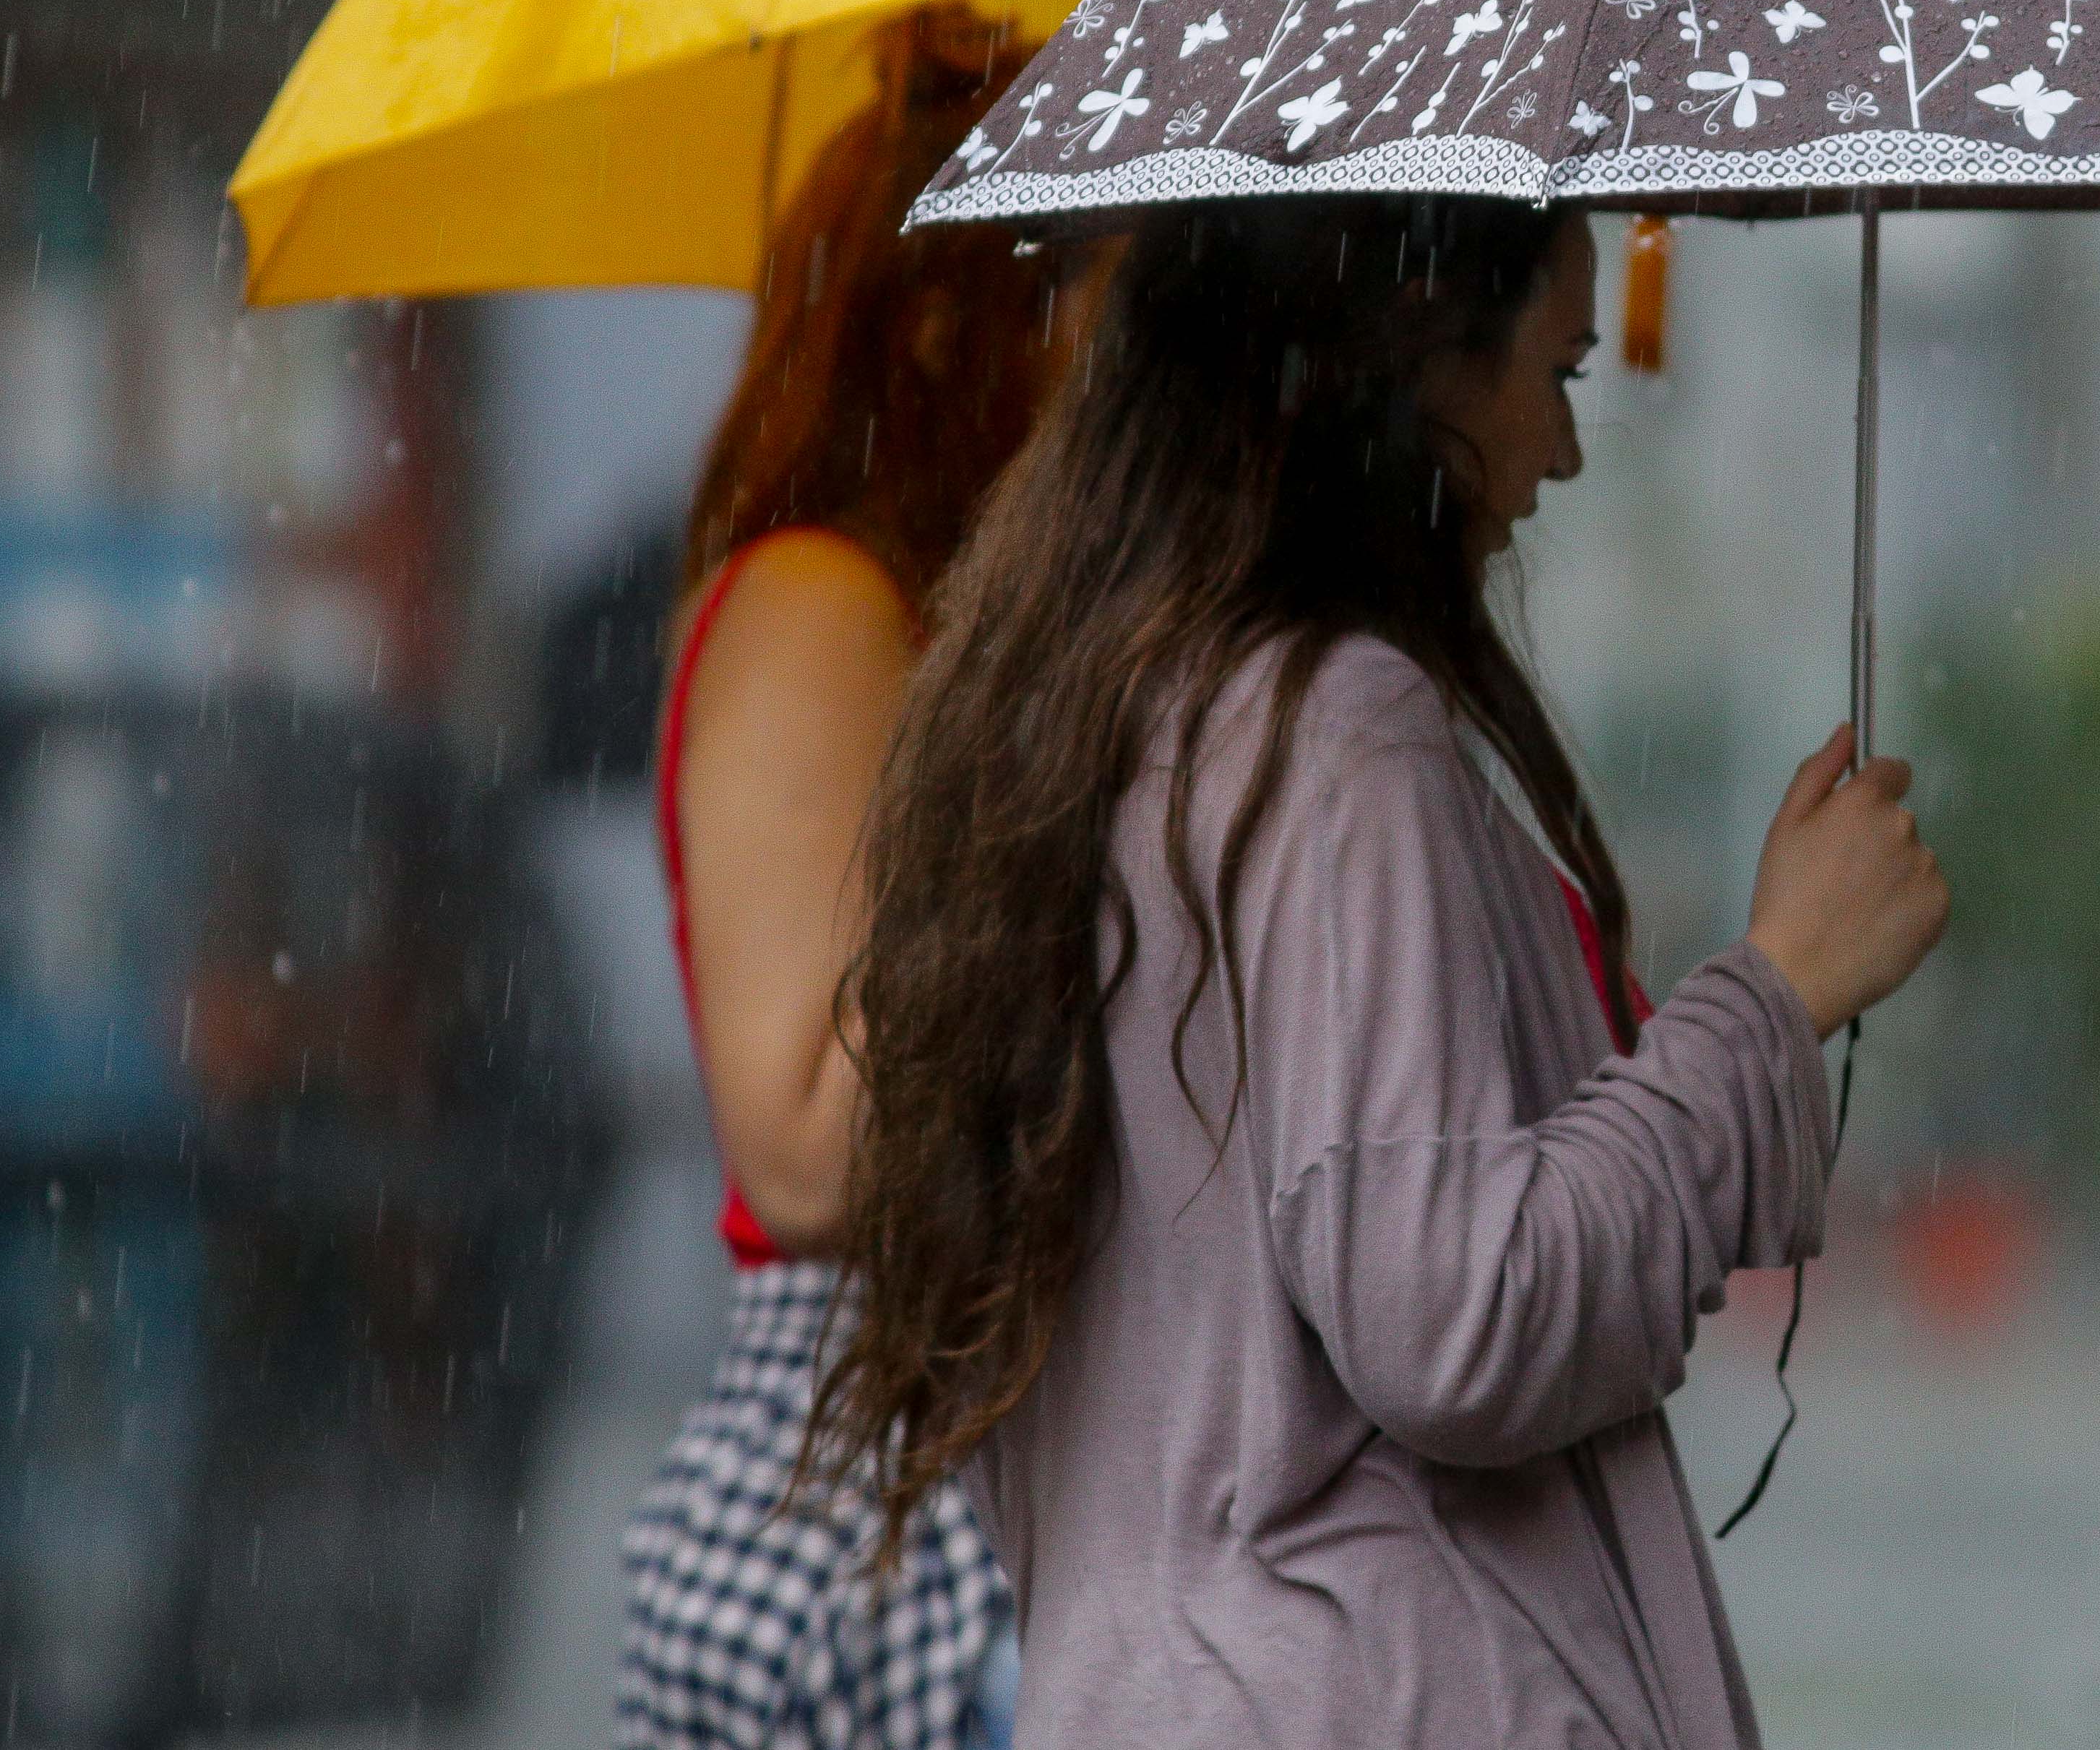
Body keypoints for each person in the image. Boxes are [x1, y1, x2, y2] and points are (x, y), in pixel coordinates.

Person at [811, 197, 1951, 1747]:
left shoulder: (1089, 715)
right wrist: (1778, 988)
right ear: (1417, 361)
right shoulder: (1336, 736)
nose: (1566, 455)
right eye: (1554, 375)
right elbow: (1455, 1317)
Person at [617, 12, 1103, 1750]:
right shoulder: (826, 605)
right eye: (1093, 305)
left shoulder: (922, 622)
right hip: (875, 1527)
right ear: (958, 320)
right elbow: (812, 1145)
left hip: (955, 1503)